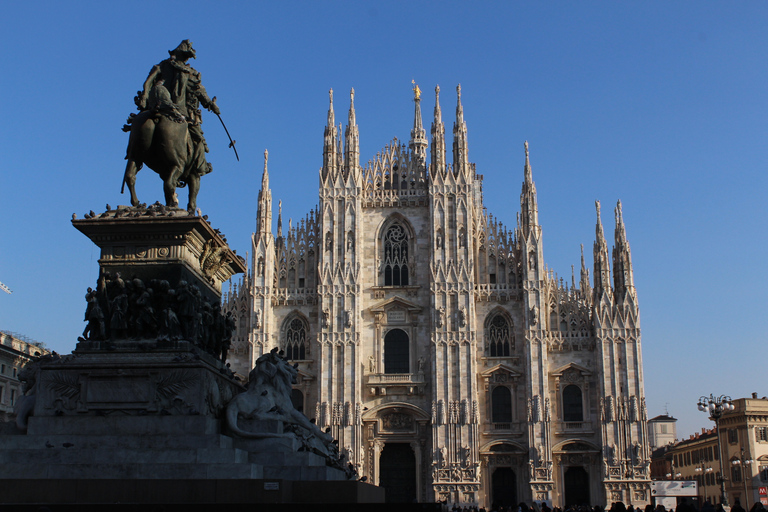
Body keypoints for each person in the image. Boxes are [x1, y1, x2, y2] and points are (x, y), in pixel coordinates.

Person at [134, 40, 220, 177]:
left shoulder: (162, 65)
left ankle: (134, 157)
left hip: (158, 106)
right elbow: (201, 92)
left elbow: (148, 82)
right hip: (180, 111)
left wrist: (145, 98)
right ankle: (200, 167)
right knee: (198, 140)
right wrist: (211, 104)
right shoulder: (190, 73)